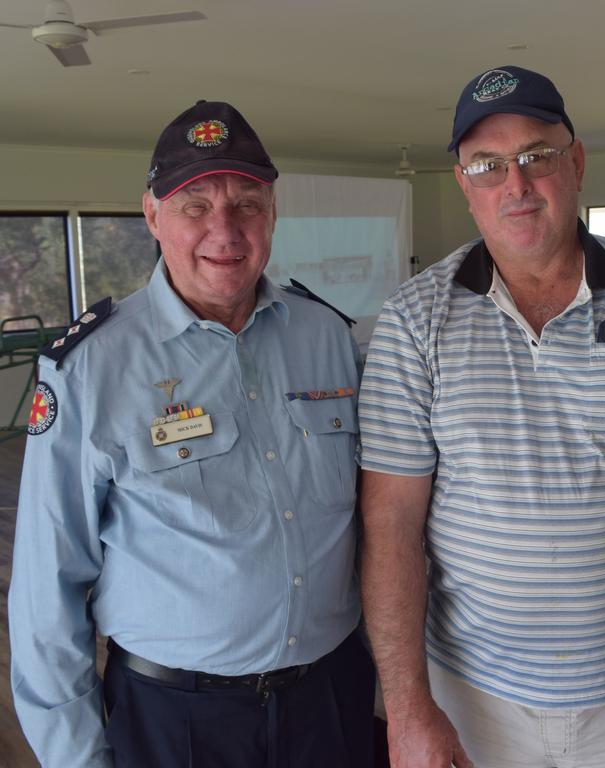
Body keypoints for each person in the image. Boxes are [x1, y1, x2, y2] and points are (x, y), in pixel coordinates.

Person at [357, 65, 605, 768]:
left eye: (536, 156)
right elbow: (391, 523)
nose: (514, 184)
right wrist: (407, 708)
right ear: (464, 186)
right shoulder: (412, 320)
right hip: (474, 700)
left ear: (575, 162)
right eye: (487, 166)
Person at [8, 100, 374, 768]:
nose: (225, 229)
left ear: (272, 213)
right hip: (176, 720)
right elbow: (44, 591)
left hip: (331, 702)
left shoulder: (328, 338)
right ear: (153, 215)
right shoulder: (91, 367)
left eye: (247, 203)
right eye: (195, 205)